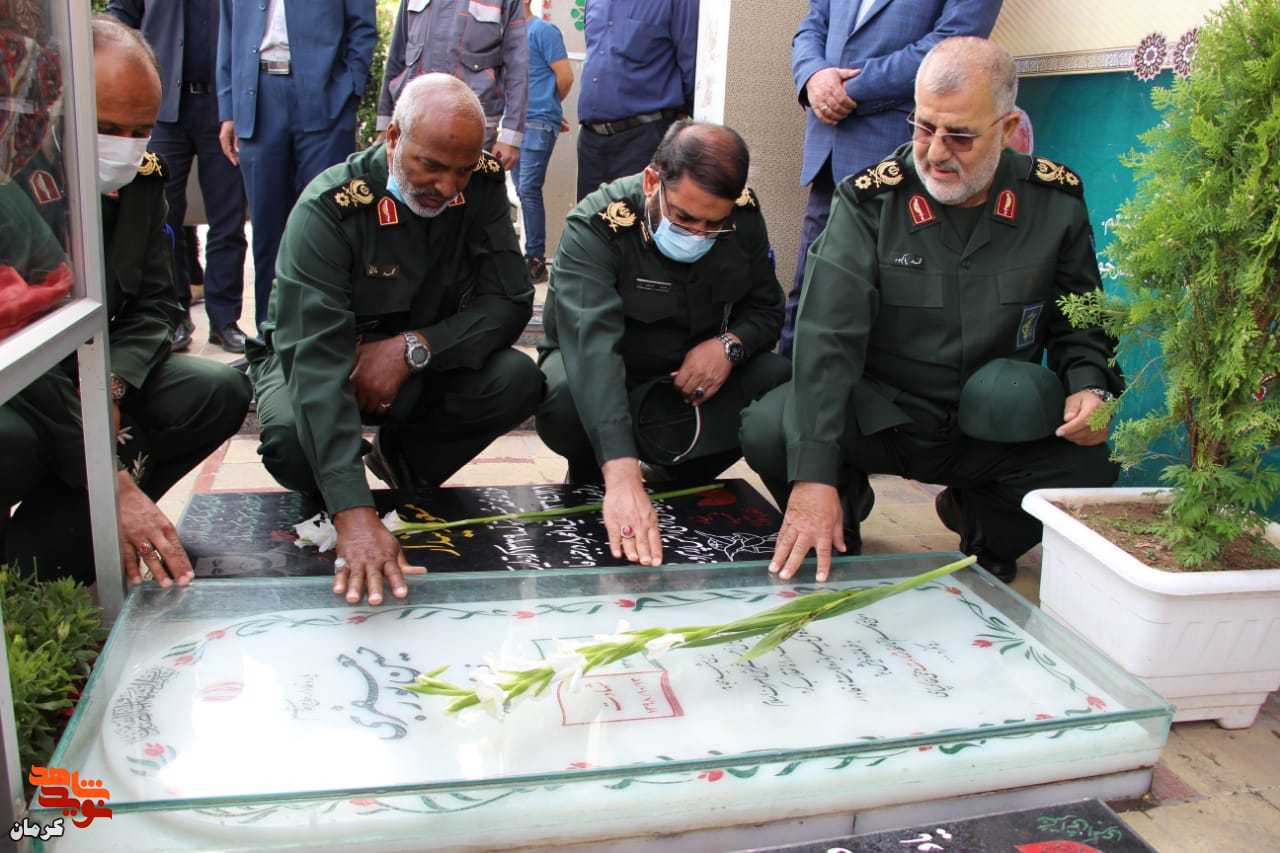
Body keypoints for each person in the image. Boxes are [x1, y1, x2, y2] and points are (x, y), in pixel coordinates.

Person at [741, 37, 1123, 584]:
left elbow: (1080, 318)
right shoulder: (870, 203)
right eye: (923, 128)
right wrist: (813, 477)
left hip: (985, 426)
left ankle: (979, 522)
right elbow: (827, 340)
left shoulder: (1052, 202)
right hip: (882, 417)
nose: (936, 152)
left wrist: (1090, 387)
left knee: (1090, 463)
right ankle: (840, 514)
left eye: (960, 136)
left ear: (1007, 129)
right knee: (771, 428)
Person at [248, 74, 541, 607]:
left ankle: (402, 463)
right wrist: (354, 515)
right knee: (292, 439)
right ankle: (335, 490)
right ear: (392, 139)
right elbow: (312, 362)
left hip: (416, 364)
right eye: (430, 166)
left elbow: (510, 300)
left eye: (461, 170)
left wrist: (413, 347)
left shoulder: (482, 185)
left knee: (517, 379)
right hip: (323, 360)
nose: (447, 187)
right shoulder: (329, 208)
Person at [1, 18, 252, 587]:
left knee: (214, 389)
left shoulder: (143, 180)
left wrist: (112, 383)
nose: (125, 146)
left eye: (141, 129)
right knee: (9, 442)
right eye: (106, 127)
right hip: (27, 389)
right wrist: (103, 458)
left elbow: (159, 305)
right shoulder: (12, 181)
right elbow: (17, 336)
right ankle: (95, 508)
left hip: (98, 369)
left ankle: (59, 545)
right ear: (58, 106)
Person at [538, 121, 790, 567]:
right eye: (684, 218)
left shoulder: (744, 216)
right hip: (610, 381)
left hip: (686, 389)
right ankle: (599, 474)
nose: (697, 234)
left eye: (713, 225)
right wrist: (622, 476)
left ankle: (677, 478)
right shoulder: (597, 226)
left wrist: (729, 346)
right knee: (562, 393)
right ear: (653, 181)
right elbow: (592, 352)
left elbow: (767, 310)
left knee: (776, 380)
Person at [779, 0, 1003, 357]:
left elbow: (952, 46)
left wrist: (849, 89)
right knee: (811, 288)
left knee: (889, 306)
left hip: (904, 158)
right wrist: (813, 76)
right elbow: (812, 24)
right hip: (830, 156)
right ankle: (791, 385)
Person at [216, 0, 376, 331]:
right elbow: (228, 30)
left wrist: (350, 87)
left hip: (324, 99)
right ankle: (270, 337)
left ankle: (325, 334)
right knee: (266, 230)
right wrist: (228, 107)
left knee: (328, 225)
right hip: (257, 98)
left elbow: (362, 26)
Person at [108, 0, 250, 354]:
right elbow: (120, 17)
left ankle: (224, 320)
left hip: (224, 108)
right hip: (164, 109)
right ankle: (174, 316)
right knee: (163, 219)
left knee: (228, 220)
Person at [376, 0, 528, 172]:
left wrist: (510, 138)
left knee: (464, 188)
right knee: (408, 186)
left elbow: (518, 67)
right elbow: (396, 56)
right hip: (412, 123)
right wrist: (384, 122)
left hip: (471, 130)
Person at [575, 0, 697, 202]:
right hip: (591, 142)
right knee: (590, 220)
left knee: (639, 219)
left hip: (644, 139)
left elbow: (693, 71)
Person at [514, 0, 572, 283]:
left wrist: (548, 107)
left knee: (528, 188)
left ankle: (535, 260)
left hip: (537, 121)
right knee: (521, 190)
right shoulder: (508, 34)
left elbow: (565, 77)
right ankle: (530, 258)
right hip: (513, 124)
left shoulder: (543, 31)